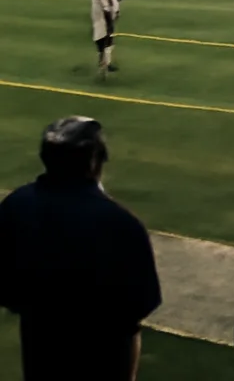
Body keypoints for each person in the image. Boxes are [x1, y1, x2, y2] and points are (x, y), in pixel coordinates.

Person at [0, 117, 162, 381]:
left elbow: (7, 288)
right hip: (102, 359)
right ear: (95, 163)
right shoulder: (121, 224)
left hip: (40, 352)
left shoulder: (16, 205)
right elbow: (135, 311)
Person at [92, 0, 122, 76]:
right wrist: (108, 16)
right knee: (104, 39)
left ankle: (106, 63)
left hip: (107, 16)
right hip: (103, 17)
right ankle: (103, 63)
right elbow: (104, 0)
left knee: (109, 39)